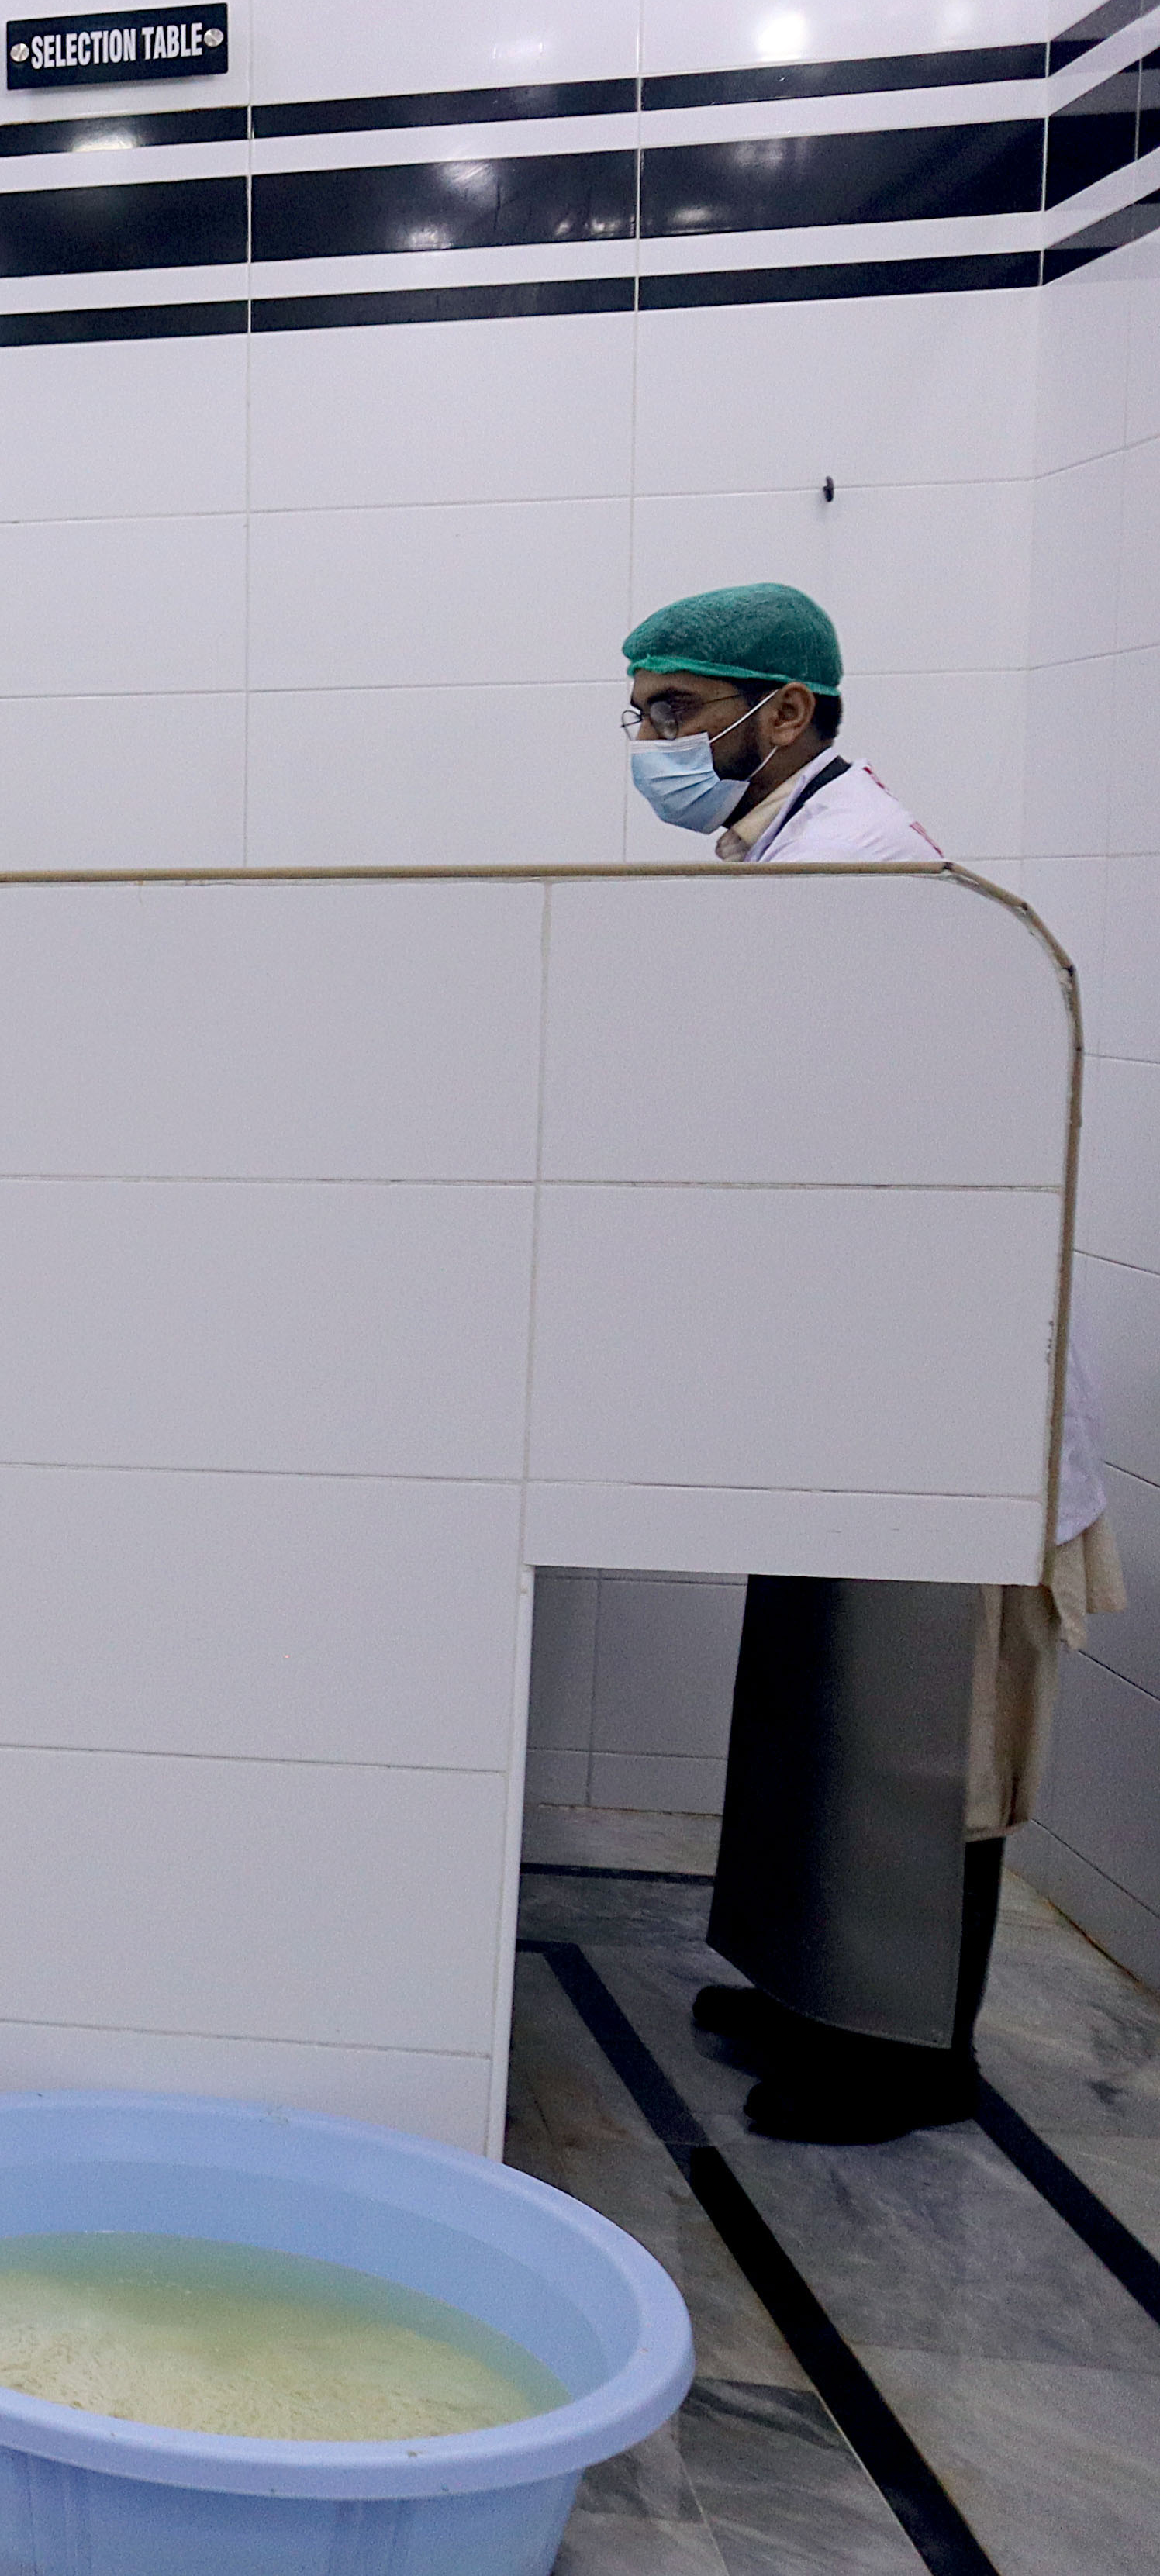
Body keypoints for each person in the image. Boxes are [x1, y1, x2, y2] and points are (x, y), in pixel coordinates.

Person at [623, 582, 1119, 2140]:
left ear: (786, 713)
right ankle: (814, 1990)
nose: (654, 743)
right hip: (859, 1377)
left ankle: (911, 2056)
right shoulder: (789, 853)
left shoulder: (877, 873)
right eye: (641, 713)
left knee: (923, 1738)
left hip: (946, 1390)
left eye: (678, 712)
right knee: (821, 1703)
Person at [622, 581, 940, 865]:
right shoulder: (820, 829)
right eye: (643, 716)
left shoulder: (831, 857)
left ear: (787, 714)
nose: (646, 740)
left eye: (671, 710)